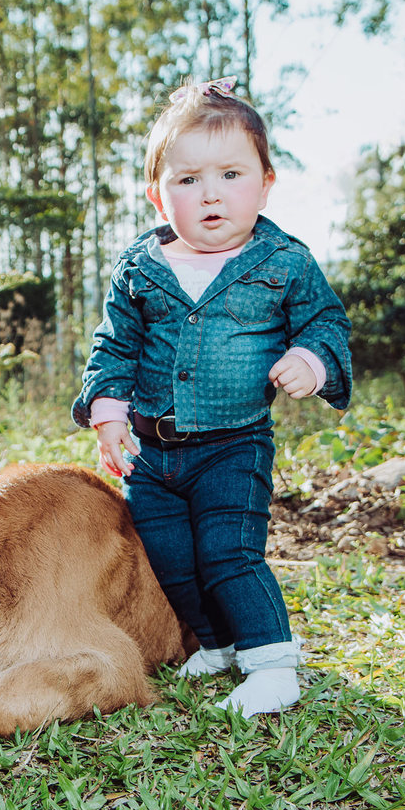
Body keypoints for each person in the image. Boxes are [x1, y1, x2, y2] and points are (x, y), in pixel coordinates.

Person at [72, 77, 352, 716]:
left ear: (265, 182)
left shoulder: (284, 261)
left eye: (230, 174)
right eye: (189, 180)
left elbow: (326, 322)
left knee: (228, 549)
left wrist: (311, 358)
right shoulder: (141, 268)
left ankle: (273, 661)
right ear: (158, 194)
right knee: (171, 555)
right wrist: (109, 413)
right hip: (153, 449)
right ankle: (221, 644)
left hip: (234, 444)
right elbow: (113, 345)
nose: (211, 195)